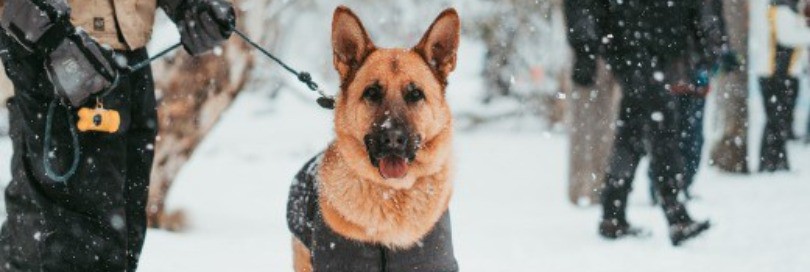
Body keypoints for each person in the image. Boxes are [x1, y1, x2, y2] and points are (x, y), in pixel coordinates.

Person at [0, 0, 235, 270]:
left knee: (123, 237)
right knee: (79, 246)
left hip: (130, 55)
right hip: (58, 55)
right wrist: (46, 33)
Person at [566, 0, 723, 246]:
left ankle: (613, 215)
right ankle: (676, 214)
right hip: (632, 42)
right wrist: (585, 48)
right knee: (662, 126)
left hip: (650, 43)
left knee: (633, 131)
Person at [752, 0, 810, 171]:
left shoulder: (781, 11)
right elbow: (788, 37)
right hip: (775, 74)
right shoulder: (781, 11)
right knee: (776, 119)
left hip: (782, 74)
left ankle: (776, 160)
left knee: (779, 120)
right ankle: (771, 161)